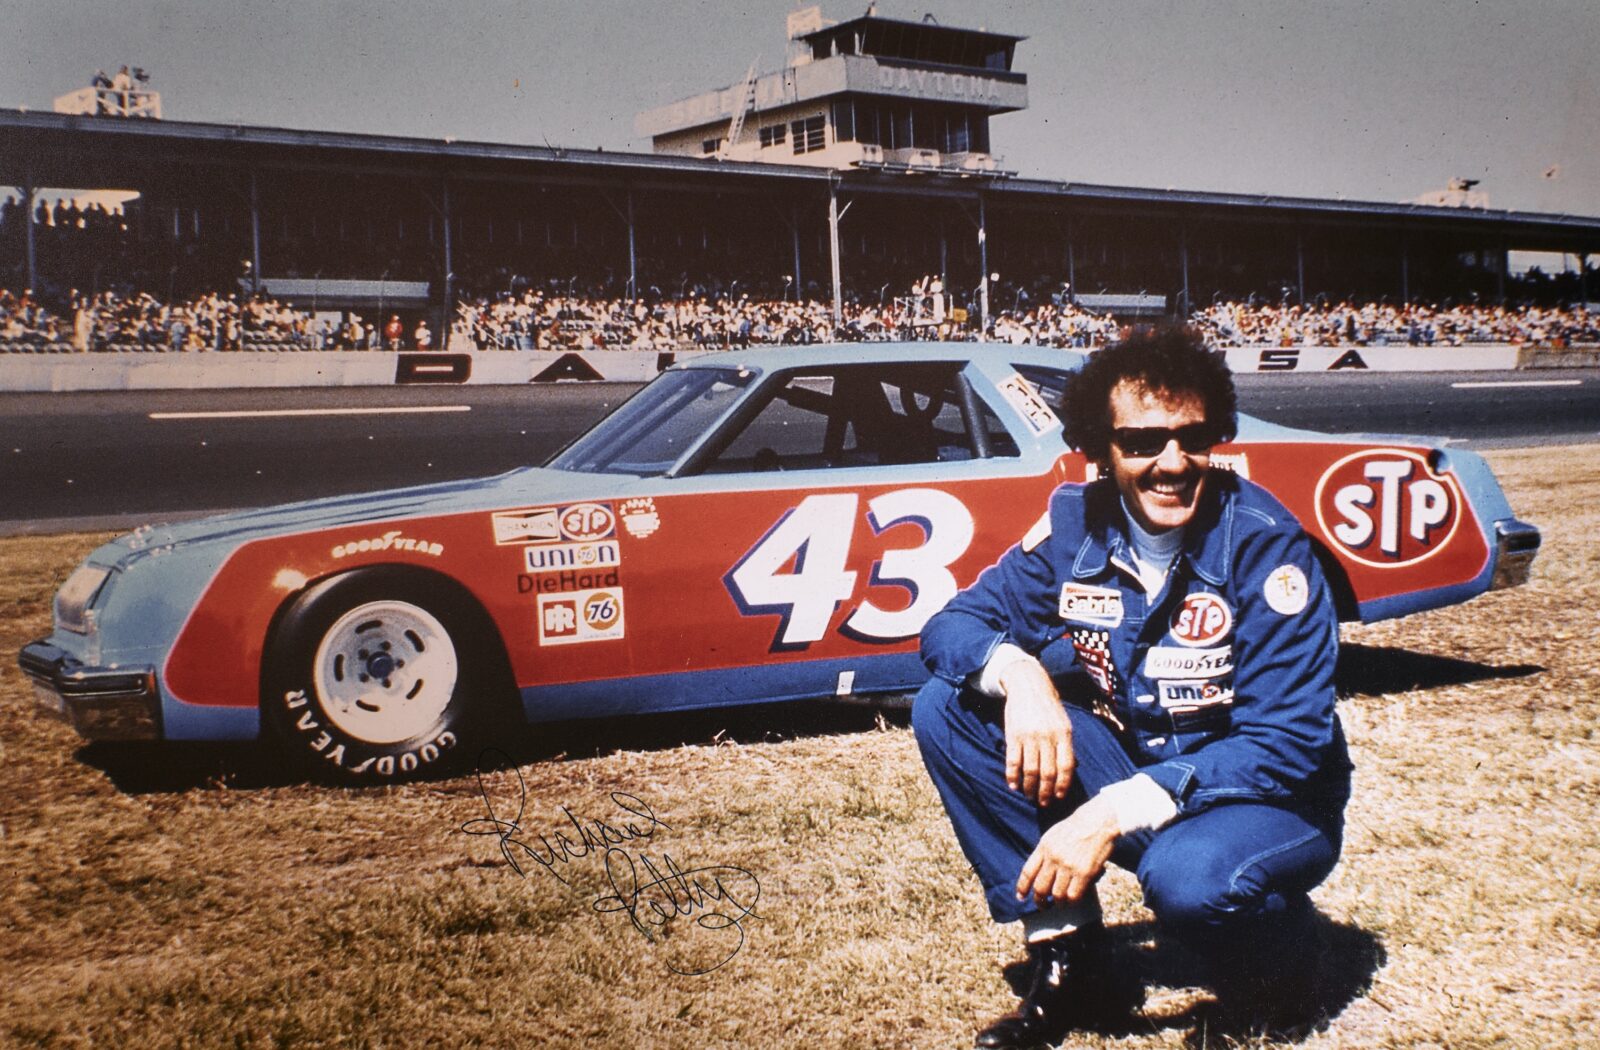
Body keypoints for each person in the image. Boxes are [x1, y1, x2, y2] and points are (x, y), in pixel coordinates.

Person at [912, 326, 1351, 1048]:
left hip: (1270, 799)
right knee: (952, 709)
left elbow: (1287, 742)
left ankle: (1286, 973)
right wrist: (1021, 674)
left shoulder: (1267, 542)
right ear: (1100, 449)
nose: (1171, 463)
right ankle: (1074, 965)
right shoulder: (1074, 520)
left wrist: (1111, 809)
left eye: (1192, 437)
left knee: (1190, 879)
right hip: (1146, 773)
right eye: (1142, 442)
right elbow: (954, 625)